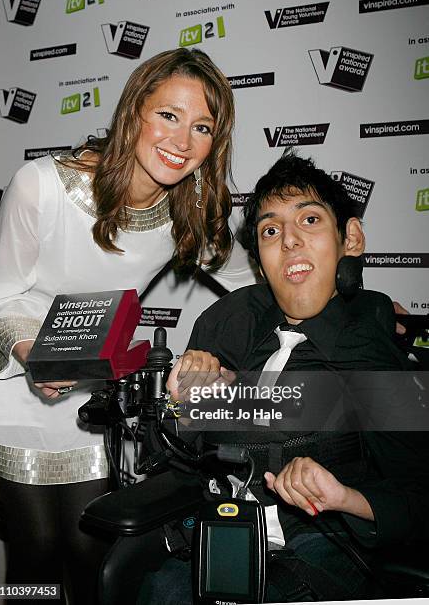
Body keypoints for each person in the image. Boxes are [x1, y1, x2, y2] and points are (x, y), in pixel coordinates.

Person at [0, 48, 257, 603]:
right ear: (134, 110)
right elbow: (0, 295)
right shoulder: (40, 185)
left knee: (90, 550)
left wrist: (324, 295)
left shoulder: (194, 206)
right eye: (168, 115)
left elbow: (245, 284)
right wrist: (30, 354)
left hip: (92, 399)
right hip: (17, 382)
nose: (182, 142)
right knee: (33, 551)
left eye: (202, 126)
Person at [143, 151, 429, 603]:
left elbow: (420, 496)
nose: (290, 241)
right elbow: (176, 461)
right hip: (220, 530)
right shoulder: (229, 327)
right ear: (259, 259)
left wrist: (345, 497)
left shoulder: (368, 348)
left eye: (310, 220)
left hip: (323, 543)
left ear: (349, 238)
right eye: (271, 230)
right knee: (164, 589)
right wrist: (183, 404)